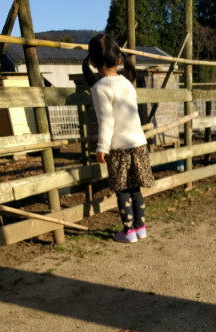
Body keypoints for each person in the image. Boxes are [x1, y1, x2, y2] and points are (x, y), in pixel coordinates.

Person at [83, 33, 155, 243]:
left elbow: (107, 121)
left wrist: (102, 147)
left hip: (119, 147)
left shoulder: (100, 88)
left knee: (122, 190)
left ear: (93, 63)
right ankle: (140, 227)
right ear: (119, 60)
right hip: (138, 143)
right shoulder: (127, 83)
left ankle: (128, 231)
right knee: (135, 187)